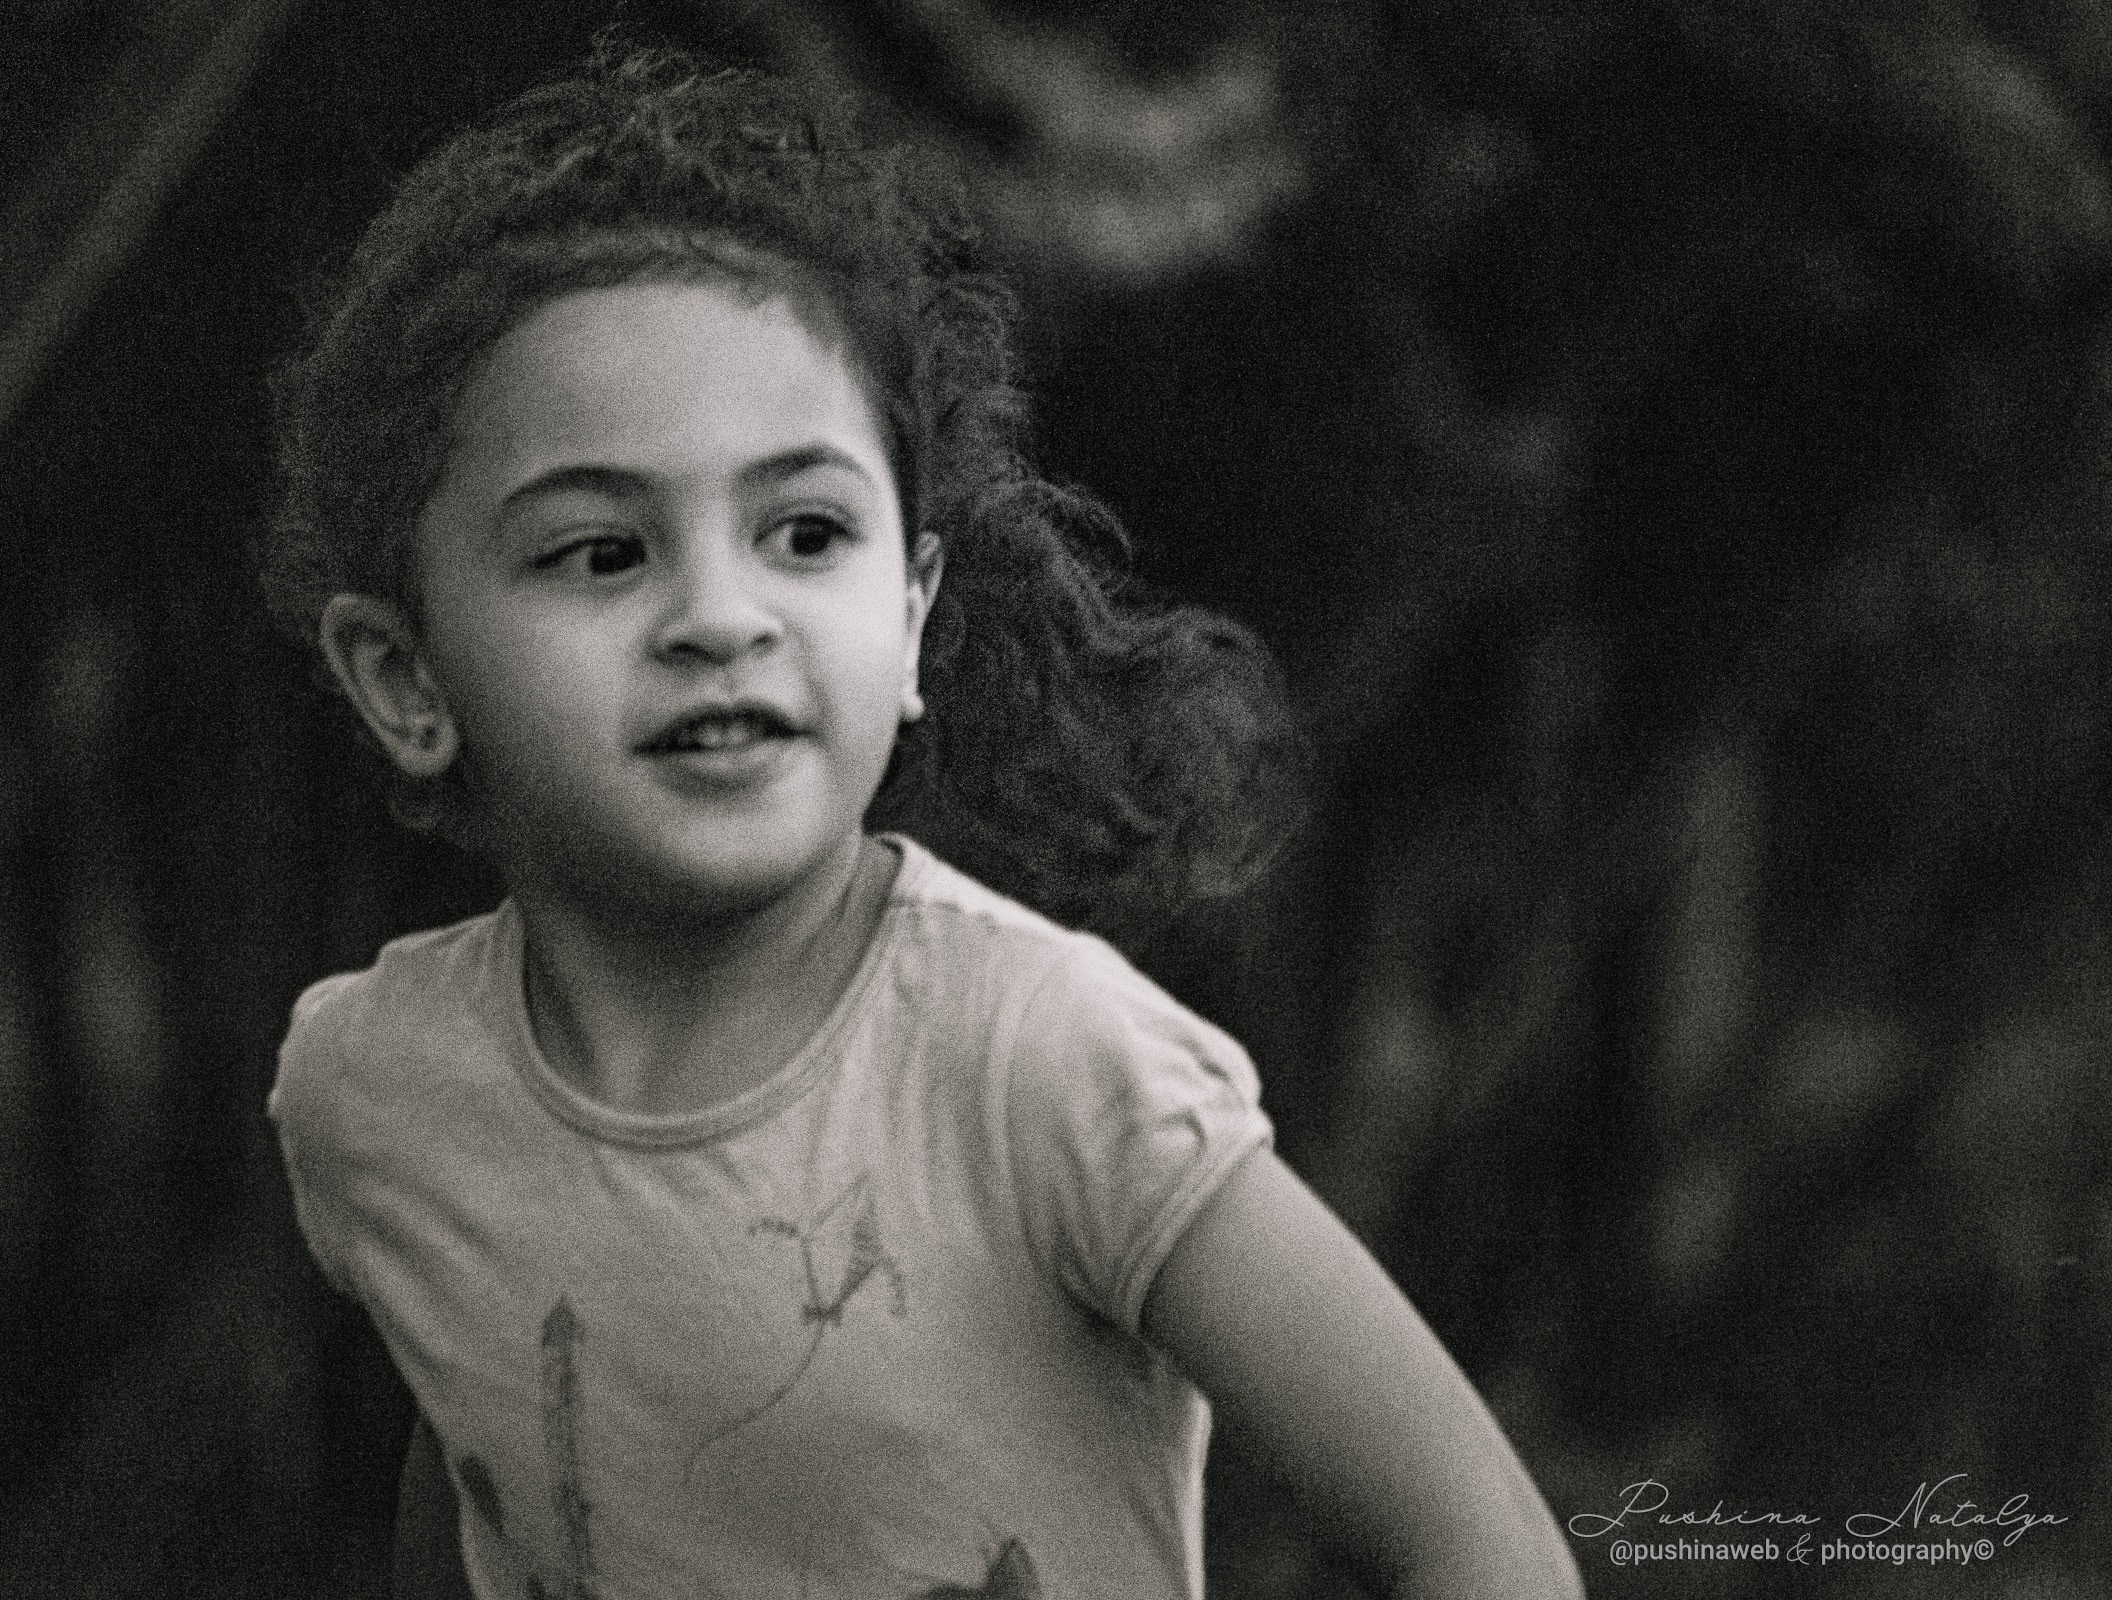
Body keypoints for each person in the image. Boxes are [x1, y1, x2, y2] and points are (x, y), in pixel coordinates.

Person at [262, 42, 1582, 1600]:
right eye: (602, 553)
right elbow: (499, 1461)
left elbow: (1487, 1552)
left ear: (908, 618)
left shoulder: (1042, 1065)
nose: (720, 616)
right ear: (406, 678)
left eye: (803, 532)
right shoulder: (378, 1098)